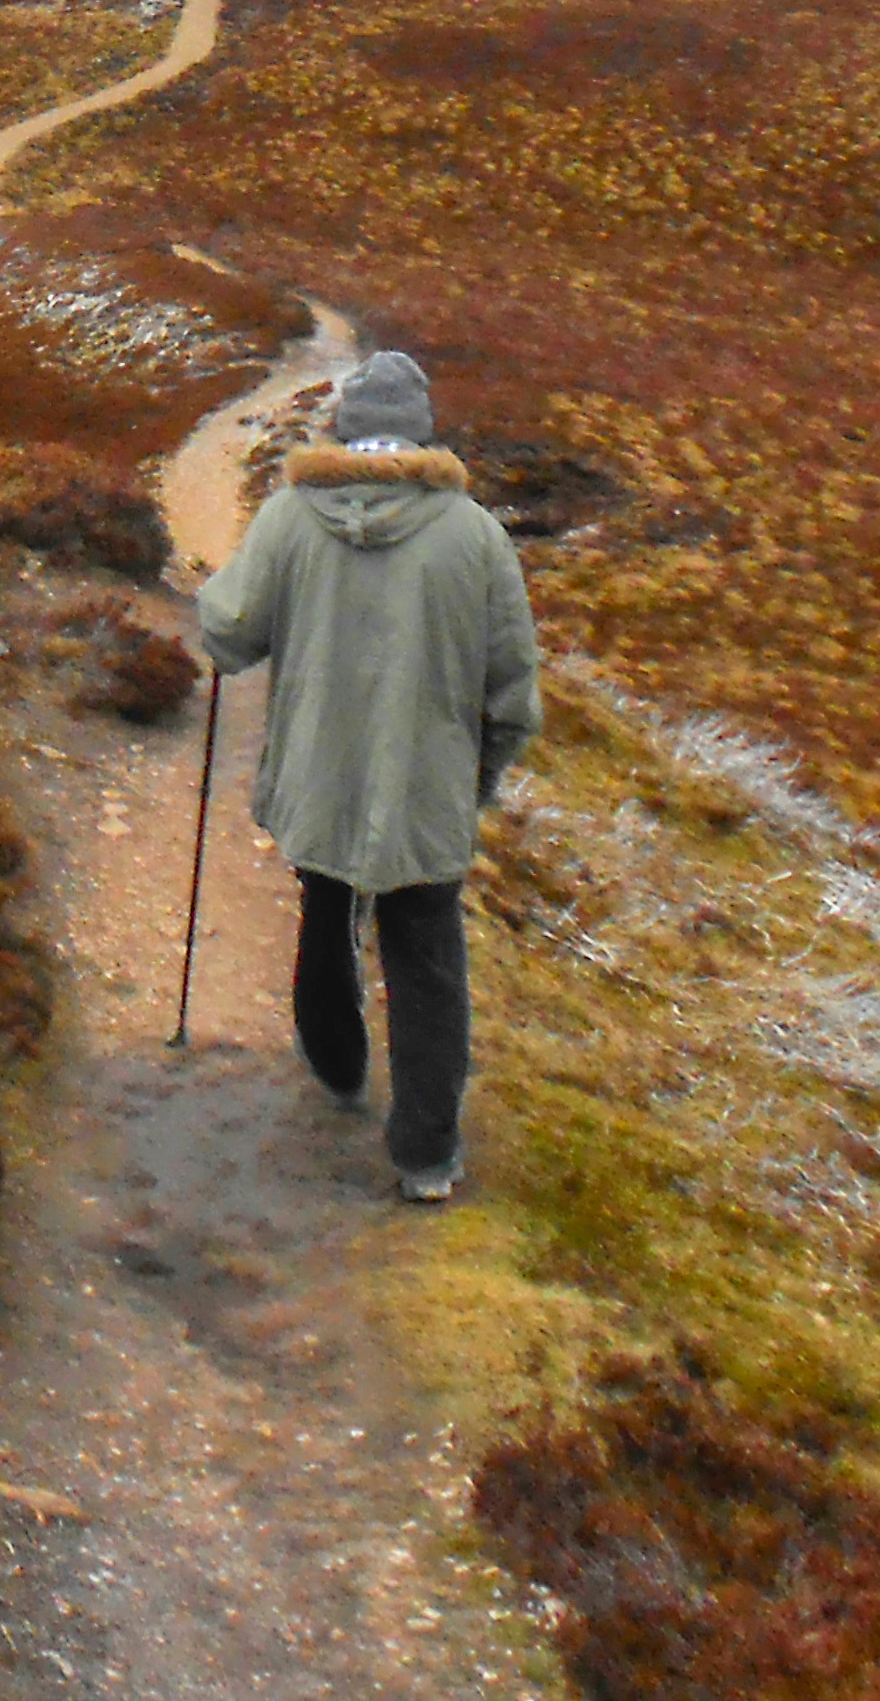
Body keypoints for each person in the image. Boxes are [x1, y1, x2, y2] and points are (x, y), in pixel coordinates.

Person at [191, 349, 541, 1203]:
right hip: (428, 787)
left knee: (324, 900)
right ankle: (425, 1157)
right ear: (423, 435)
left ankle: (339, 1065)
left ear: (346, 429)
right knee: (426, 954)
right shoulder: (477, 538)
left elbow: (230, 632)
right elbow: (513, 691)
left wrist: (214, 610)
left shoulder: (288, 517)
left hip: (321, 773)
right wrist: (479, 776)